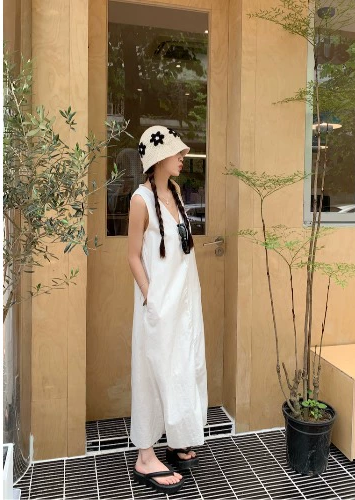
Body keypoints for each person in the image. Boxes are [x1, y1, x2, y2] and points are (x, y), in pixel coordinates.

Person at [127, 125, 208, 495]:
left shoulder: (174, 192)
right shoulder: (140, 200)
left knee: (183, 366)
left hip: (185, 304)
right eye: (177, 152)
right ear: (159, 158)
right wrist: (151, 299)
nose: (183, 157)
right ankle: (145, 456)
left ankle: (176, 439)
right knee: (151, 371)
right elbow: (132, 256)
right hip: (160, 305)